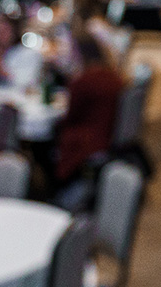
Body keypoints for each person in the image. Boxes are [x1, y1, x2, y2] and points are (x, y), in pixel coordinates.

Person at [53, 33, 124, 185]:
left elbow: (71, 118)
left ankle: (53, 186)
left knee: (49, 134)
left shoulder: (83, 82)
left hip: (91, 140)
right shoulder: (114, 77)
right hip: (111, 135)